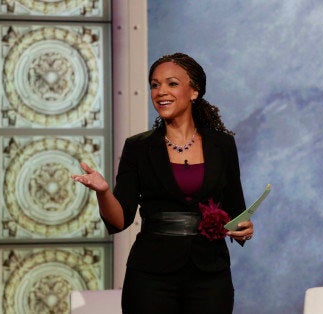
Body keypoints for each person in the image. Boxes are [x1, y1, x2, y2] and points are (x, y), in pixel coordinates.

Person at [72, 52, 253, 313]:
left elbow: (236, 211)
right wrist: (103, 192)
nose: (160, 92)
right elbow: (120, 220)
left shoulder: (222, 145)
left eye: (171, 83)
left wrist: (245, 228)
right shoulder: (138, 147)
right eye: (154, 85)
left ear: (194, 91)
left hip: (210, 274)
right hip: (150, 276)